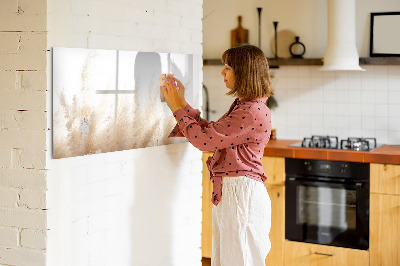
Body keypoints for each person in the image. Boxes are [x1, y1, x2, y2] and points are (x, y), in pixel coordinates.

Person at [161, 44, 273, 266]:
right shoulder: (246, 106)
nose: (222, 72)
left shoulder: (250, 111)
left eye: (228, 67)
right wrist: (182, 103)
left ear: (244, 72)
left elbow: (204, 141)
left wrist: (176, 108)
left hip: (241, 195)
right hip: (236, 193)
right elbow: (212, 133)